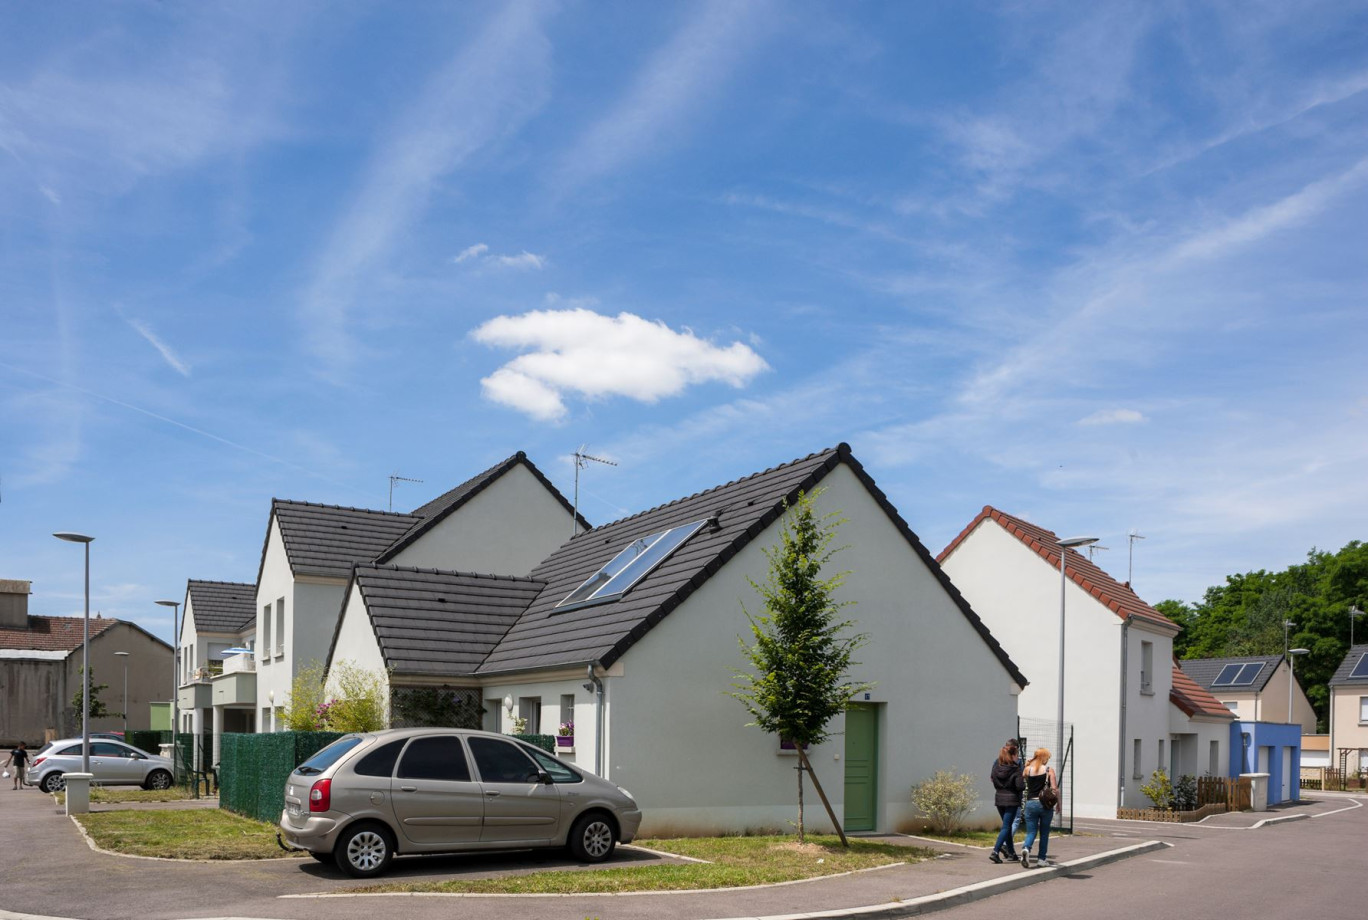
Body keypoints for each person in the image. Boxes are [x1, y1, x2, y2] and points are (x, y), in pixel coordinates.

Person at [1020, 747, 1058, 869]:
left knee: (1031, 831)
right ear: (1045, 758)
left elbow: (1023, 776)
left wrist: (1029, 763)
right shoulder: (1049, 770)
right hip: (1044, 805)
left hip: (1030, 803)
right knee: (1044, 832)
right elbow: (1054, 789)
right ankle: (1041, 859)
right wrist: (1059, 804)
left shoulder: (1027, 770)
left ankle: (1026, 848)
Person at [988, 739, 1023, 863]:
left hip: (999, 798)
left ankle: (1011, 853)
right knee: (1006, 826)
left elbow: (993, 780)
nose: (1017, 757)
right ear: (1013, 755)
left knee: (1006, 827)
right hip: (1012, 800)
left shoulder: (996, 767)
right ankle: (995, 851)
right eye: (1016, 754)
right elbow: (1020, 786)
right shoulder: (1015, 769)